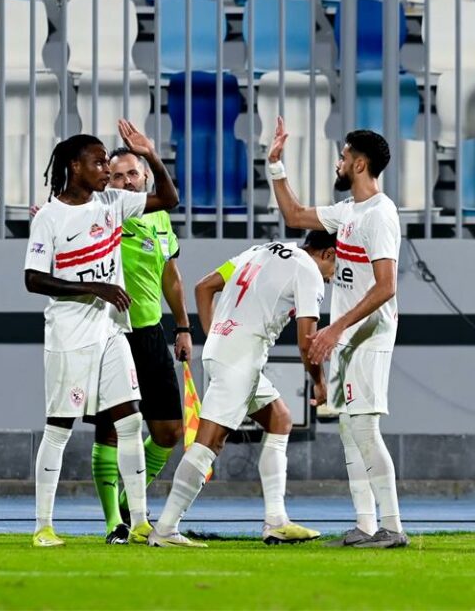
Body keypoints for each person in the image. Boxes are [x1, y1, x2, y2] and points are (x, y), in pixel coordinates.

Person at [24, 120, 179, 547]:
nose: (106, 170)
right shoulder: (51, 217)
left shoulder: (113, 201)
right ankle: (43, 526)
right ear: (74, 167)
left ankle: (141, 522)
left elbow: (169, 198)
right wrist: (94, 287)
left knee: (130, 422)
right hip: (69, 337)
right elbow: (33, 279)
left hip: (112, 332)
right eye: (98, 163)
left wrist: (149, 153)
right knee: (59, 429)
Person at [265, 116, 409, 549]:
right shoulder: (347, 212)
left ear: (360, 164)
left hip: (370, 335)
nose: (339, 162)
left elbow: (387, 287)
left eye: (344, 156)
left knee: (363, 428)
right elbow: (293, 216)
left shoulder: (380, 215)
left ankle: (393, 527)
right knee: (349, 430)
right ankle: (366, 525)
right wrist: (276, 167)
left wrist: (335, 328)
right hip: (347, 336)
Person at [148, 231, 337, 548]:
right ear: (329, 253)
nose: (332, 279)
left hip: (225, 351)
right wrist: (319, 382)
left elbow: (204, 286)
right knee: (210, 443)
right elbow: (308, 343)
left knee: (280, 419)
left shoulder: (262, 250)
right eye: (336, 268)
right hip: (241, 359)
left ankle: (276, 521)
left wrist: (217, 336)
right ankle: (165, 529)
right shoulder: (308, 271)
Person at [88, 147, 192, 544]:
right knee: (112, 432)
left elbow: (172, 277)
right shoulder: (104, 213)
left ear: (146, 179)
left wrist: (183, 328)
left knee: (168, 432)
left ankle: (133, 505)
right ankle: (116, 521)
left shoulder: (162, 219)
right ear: (108, 183)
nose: (126, 181)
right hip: (110, 332)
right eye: (117, 176)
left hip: (150, 334)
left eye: (133, 174)